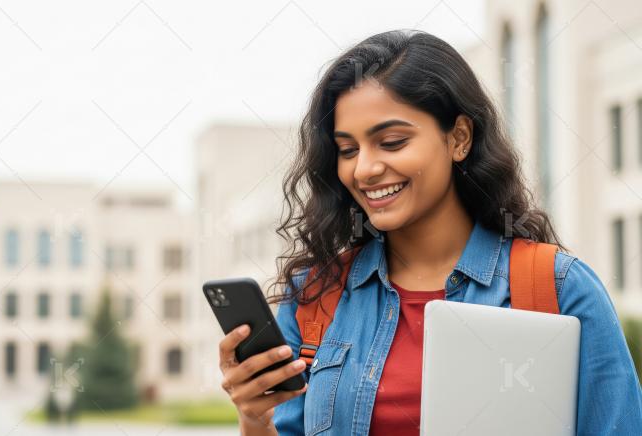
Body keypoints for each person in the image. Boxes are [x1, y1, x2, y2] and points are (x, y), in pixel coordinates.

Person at [217, 29, 642, 435]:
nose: (364, 168)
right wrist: (256, 422)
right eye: (348, 150)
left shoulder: (558, 287)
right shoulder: (315, 297)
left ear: (458, 138)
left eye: (392, 141)